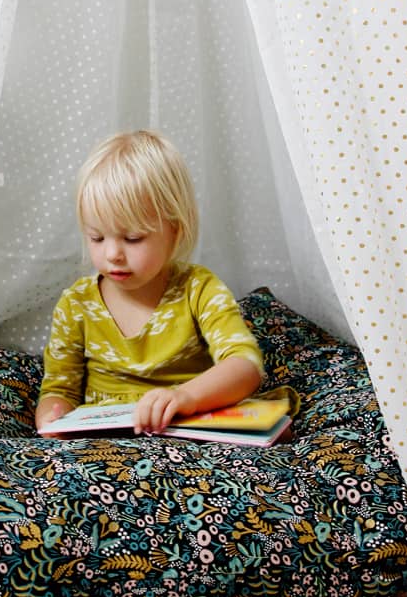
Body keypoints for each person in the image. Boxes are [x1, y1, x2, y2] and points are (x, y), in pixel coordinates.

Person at [35, 129, 266, 436]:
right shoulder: (76, 304)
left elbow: (245, 365)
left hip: (183, 433)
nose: (113, 253)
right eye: (97, 237)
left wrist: (185, 397)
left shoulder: (198, 290)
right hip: (106, 444)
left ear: (175, 230)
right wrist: (52, 418)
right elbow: (59, 389)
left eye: (132, 238)